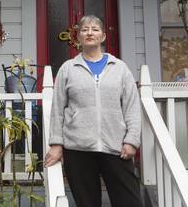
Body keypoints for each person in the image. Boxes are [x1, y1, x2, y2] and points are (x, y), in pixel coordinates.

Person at [44, 15, 141, 207]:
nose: (90, 33)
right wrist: (56, 143)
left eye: (95, 29)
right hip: (78, 149)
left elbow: (132, 107)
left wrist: (132, 140)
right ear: (78, 37)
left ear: (103, 36)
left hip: (116, 147)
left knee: (130, 202)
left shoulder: (120, 69)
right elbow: (57, 109)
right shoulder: (68, 69)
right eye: (85, 29)